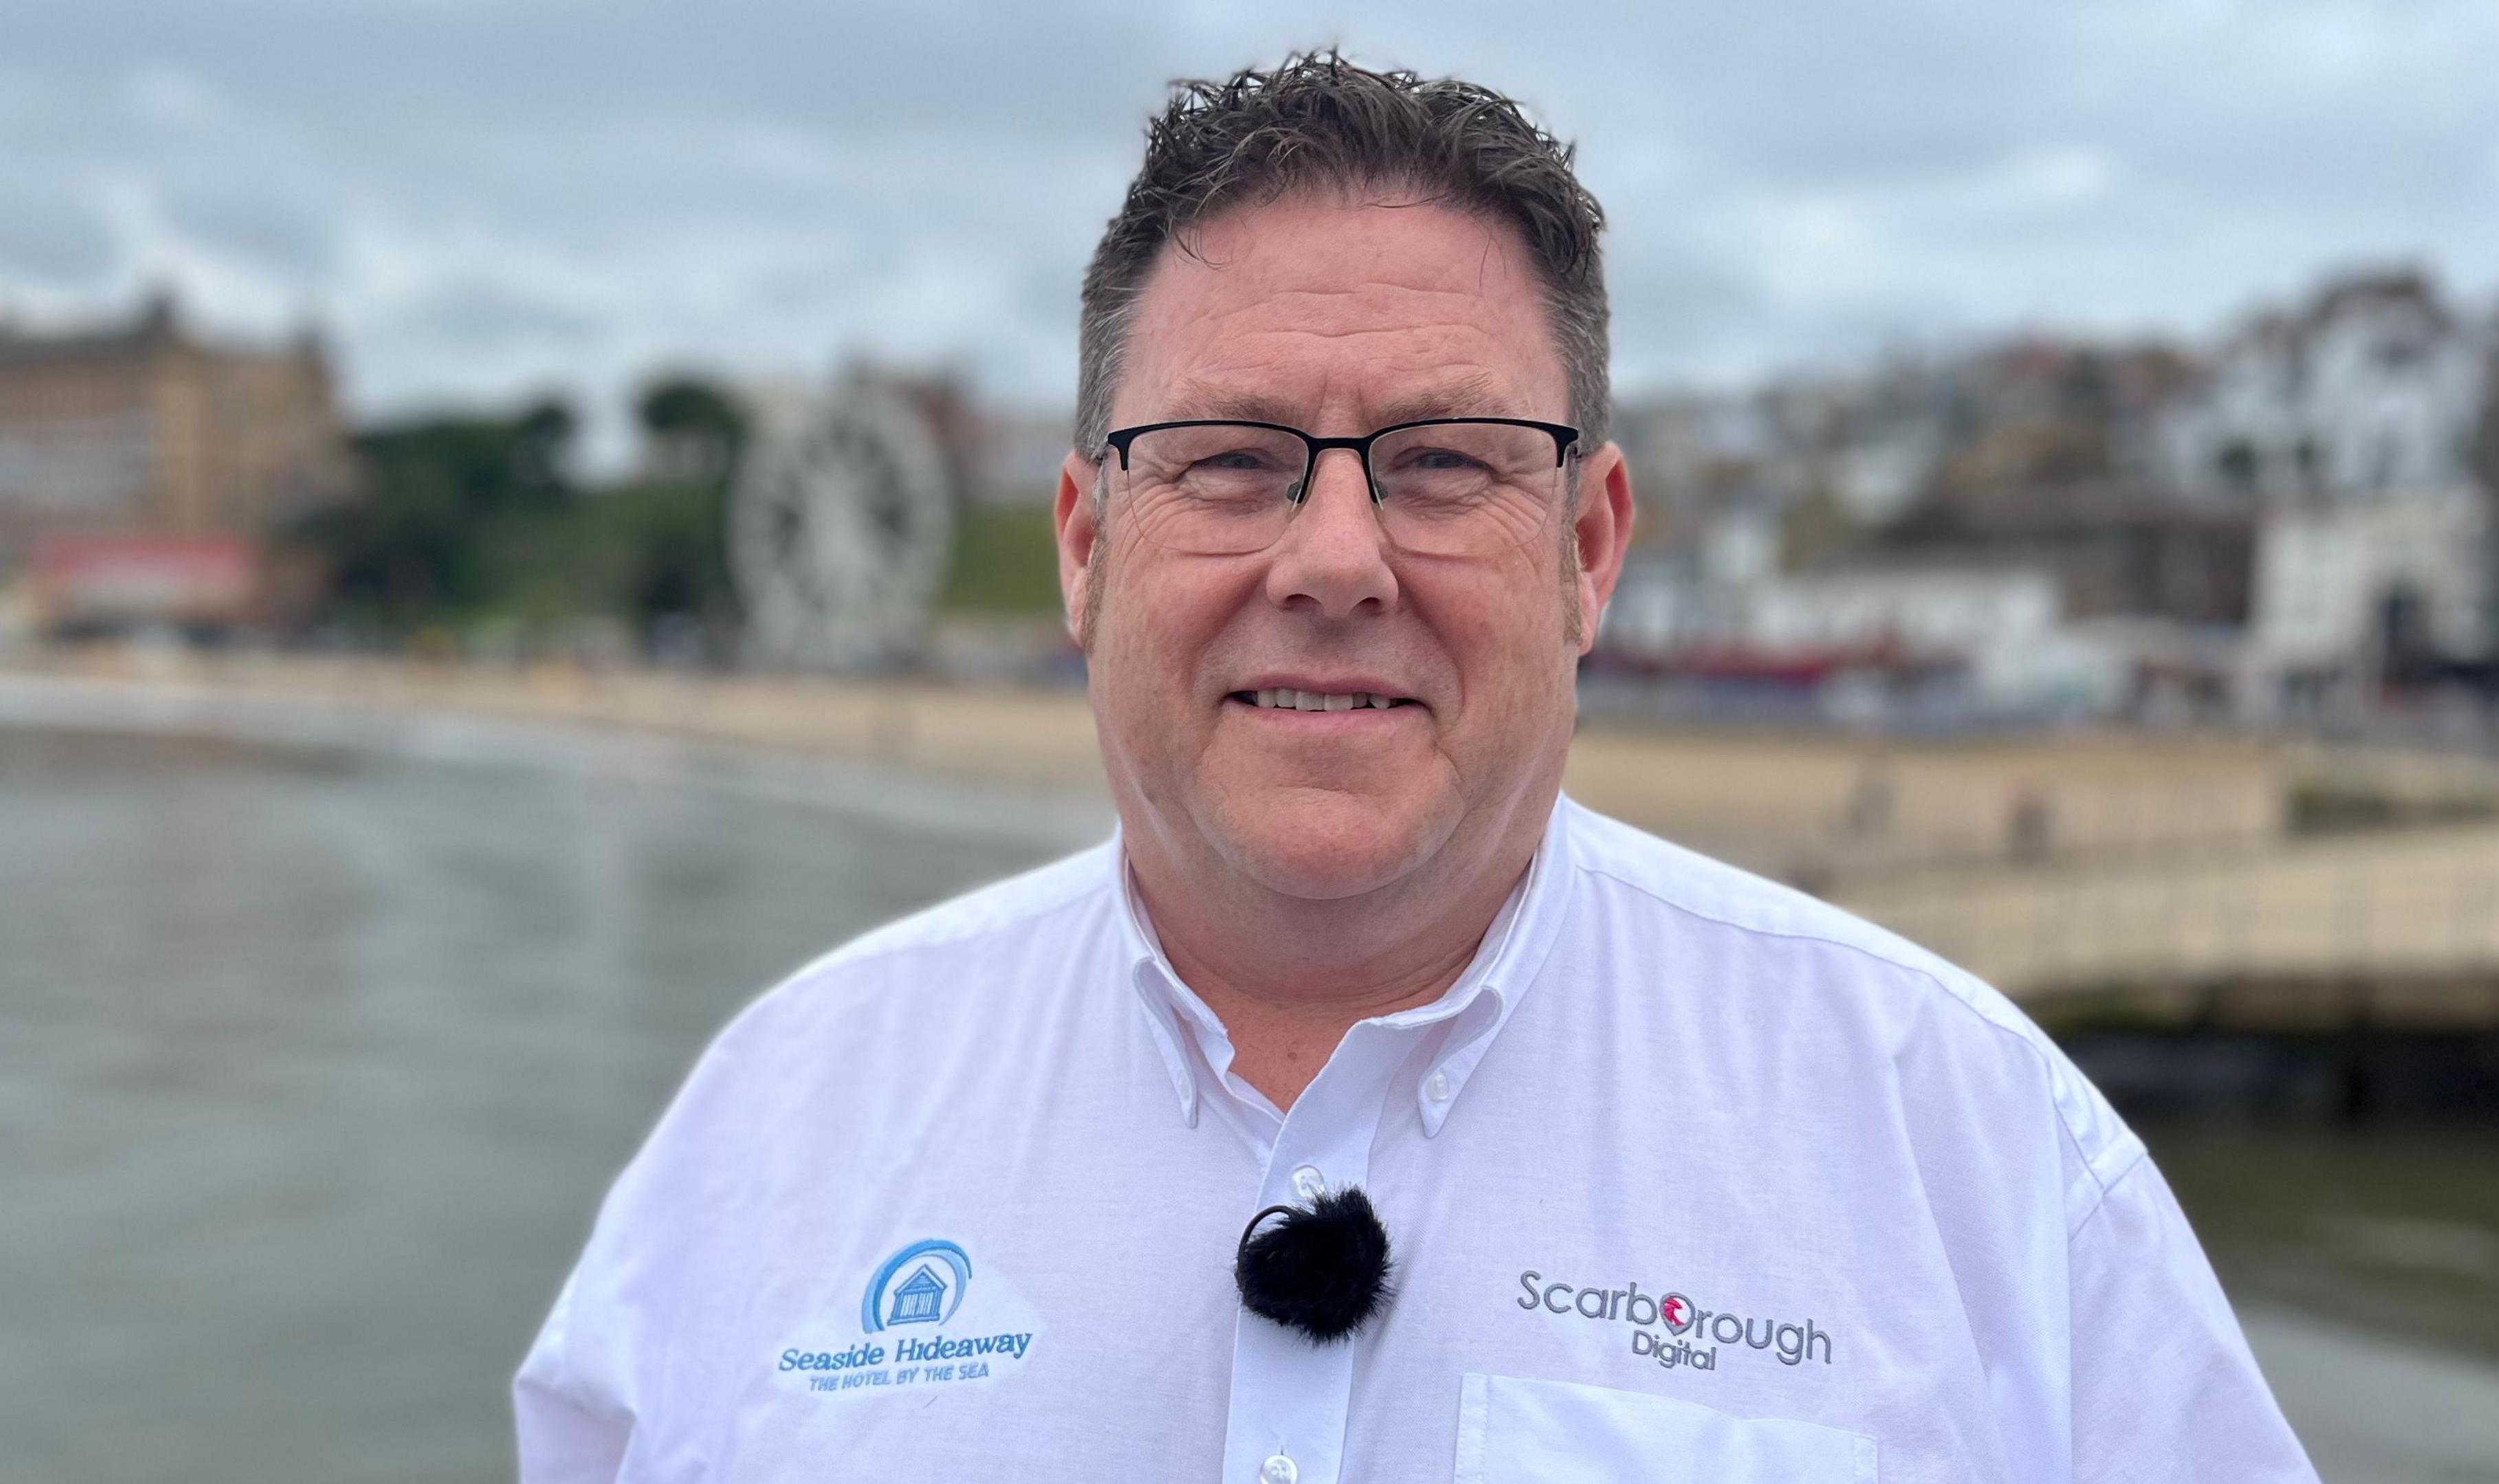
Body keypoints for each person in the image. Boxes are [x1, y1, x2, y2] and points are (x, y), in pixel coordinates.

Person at [514, 52, 2317, 1482]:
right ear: (1084, 543)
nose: (1334, 556)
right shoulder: (768, 1136)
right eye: (1230, 460)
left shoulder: (1969, 1147)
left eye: (1446, 463)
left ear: (1590, 546)